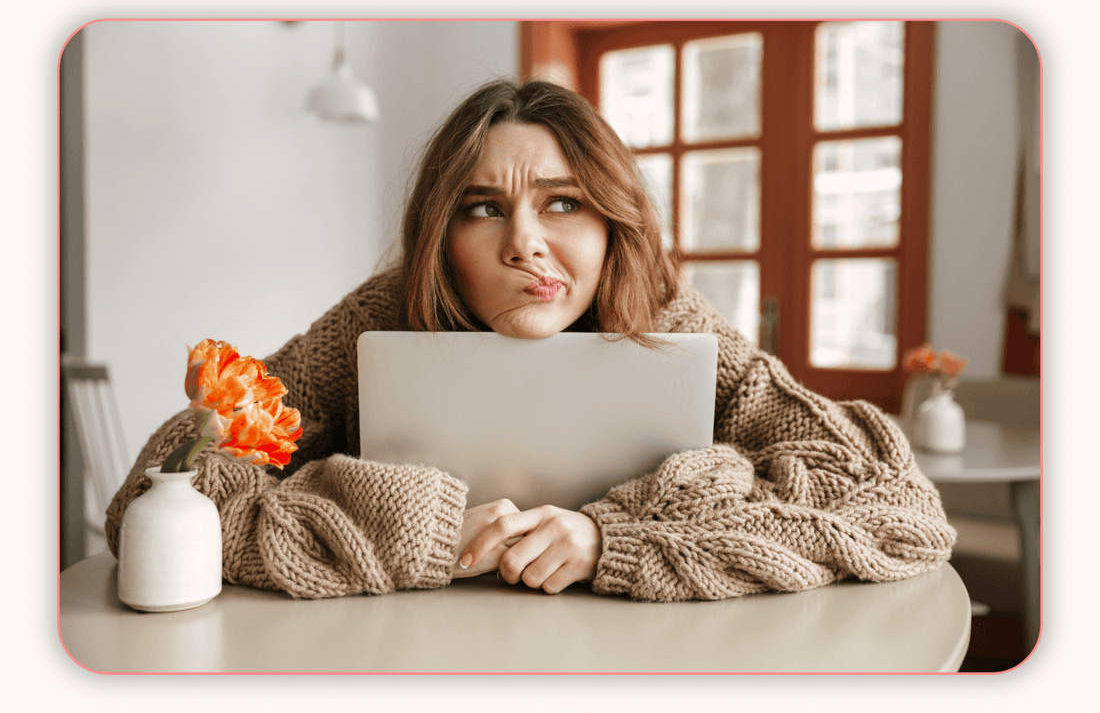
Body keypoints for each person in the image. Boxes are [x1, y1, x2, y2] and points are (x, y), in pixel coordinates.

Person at [105, 78, 956, 602]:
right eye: (483, 208)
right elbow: (154, 500)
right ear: (443, 235)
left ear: (611, 221)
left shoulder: (668, 320)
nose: (524, 243)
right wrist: (415, 529)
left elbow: (896, 511)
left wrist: (617, 543)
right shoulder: (378, 318)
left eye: (562, 202)